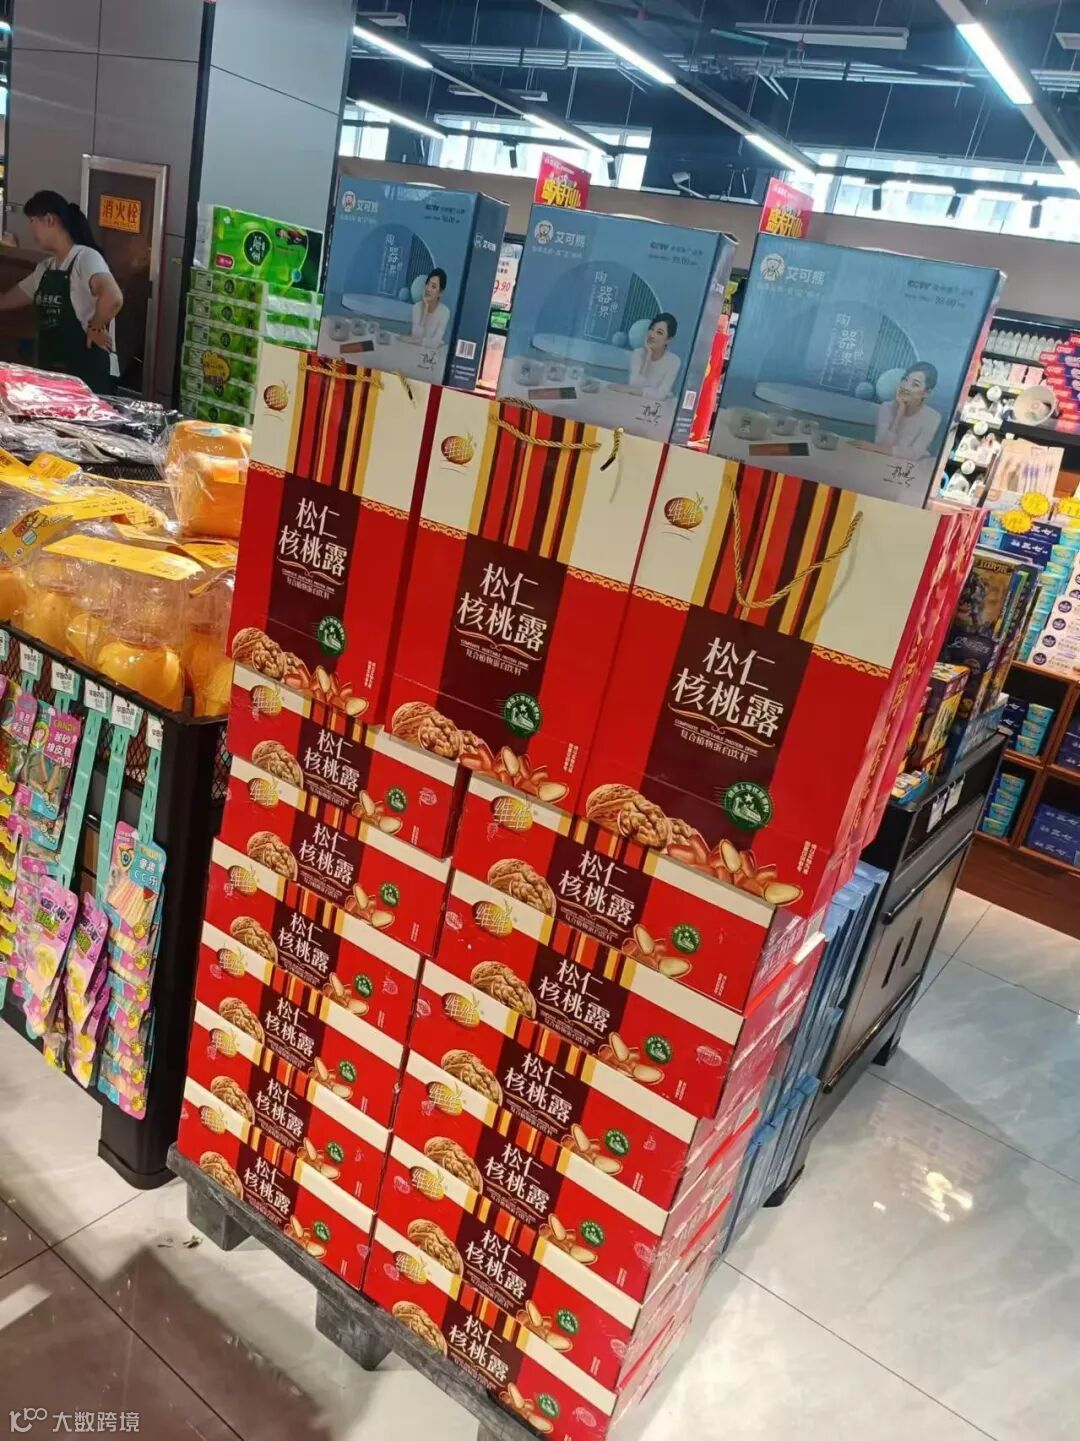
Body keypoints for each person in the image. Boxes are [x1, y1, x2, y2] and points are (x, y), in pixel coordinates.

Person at [0, 190, 123, 391]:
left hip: (89, 376)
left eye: (32, 221)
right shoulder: (46, 268)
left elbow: (113, 297)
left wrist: (95, 327)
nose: (31, 230)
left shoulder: (85, 257)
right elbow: (7, 300)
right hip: (55, 374)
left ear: (49, 220)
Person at [869, 362, 942, 461]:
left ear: (927, 393)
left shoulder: (933, 417)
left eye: (915, 384)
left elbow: (915, 453)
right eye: (905, 380)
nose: (905, 387)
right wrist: (900, 412)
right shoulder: (886, 407)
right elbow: (880, 446)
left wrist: (882, 449)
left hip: (912, 466)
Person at [613, 313, 681, 401]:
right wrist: (647, 358)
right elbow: (634, 384)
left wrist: (632, 390)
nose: (652, 335)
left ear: (668, 339)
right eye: (651, 329)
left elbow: (660, 395)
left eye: (659, 333)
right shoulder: (638, 353)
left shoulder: (674, 361)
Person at [408, 268, 449, 345]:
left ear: (440, 292)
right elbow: (415, 337)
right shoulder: (417, 307)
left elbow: (436, 342)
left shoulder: (444, 312)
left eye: (433, 286)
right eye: (427, 284)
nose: (428, 289)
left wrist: (418, 341)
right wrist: (425, 312)